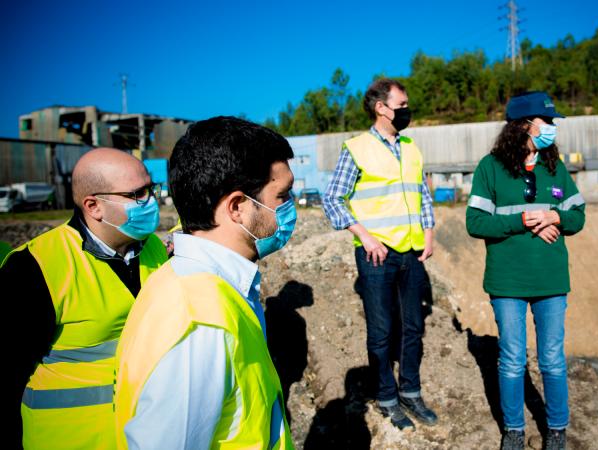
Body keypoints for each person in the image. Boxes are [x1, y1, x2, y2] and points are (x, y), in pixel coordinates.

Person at [113, 116, 295, 449]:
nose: (290, 206)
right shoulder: (200, 324)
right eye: (282, 195)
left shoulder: (191, 282)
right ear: (237, 207)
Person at [2, 147, 168, 449]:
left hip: (143, 437)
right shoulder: (35, 266)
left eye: (151, 188)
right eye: (137, 194)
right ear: (94, 206)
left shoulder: (154, 248)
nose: (151, 201)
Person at [465, 91, 585, 450]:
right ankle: (514, 430)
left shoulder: (555, 167)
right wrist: (523, 221)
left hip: (551, 279)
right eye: (546, 121)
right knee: (512, 359)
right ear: (522, 124)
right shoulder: (490, 168)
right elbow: (475, 222)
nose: (551, 128)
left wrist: (554, 217)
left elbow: (578, 217)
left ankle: (557, 429)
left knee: (552, 359)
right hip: (508, 282)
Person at [322, 78, 438, 430]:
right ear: (381, 108)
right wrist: (365, 237)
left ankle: (411, 391)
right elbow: (333, 199)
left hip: (413, 252)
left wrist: (429, 233)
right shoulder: (357, 148)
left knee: (413, 327)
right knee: (382, 331)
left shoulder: (411, 147)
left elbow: (422, 194)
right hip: (377, 255)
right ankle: (387, 398)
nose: (407, 110)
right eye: (401, 105)